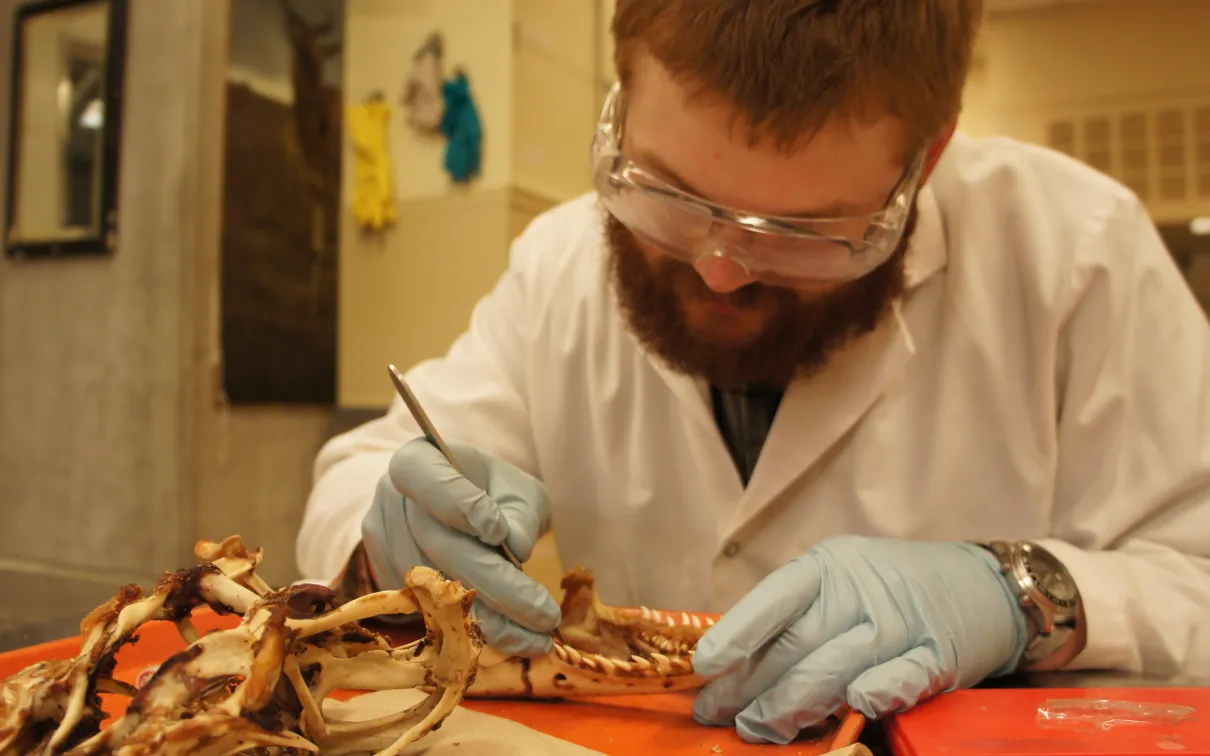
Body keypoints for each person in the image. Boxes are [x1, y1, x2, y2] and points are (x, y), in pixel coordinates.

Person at [297, 0, 1210, 745]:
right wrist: (391, 538)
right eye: (667, 195)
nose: (719, 269)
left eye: (803, 234)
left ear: (923, 165)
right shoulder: (559, 265)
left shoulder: (1077, 253)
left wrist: (1020, 595)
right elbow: (372, 468)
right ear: (621, 101)